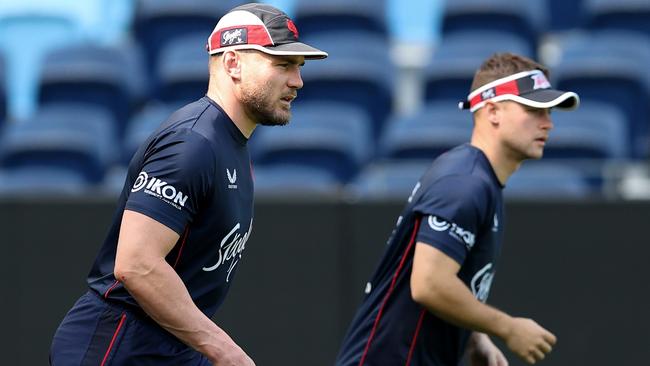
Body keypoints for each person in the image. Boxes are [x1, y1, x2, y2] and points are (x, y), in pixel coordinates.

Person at [49, 3, 327, 365]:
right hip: (116, 346)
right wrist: (224, 350)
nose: (297, 81)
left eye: (299, 67)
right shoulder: (193, 144)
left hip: (166, 348)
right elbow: (136, 264)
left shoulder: (230, 145)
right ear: (232, 64)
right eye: (282, 64)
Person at [335, 53, 580, 366]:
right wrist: (508, 328)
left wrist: (477, 336)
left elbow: (445, 278)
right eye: (534, 109)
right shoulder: (465, 183)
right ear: (492, 111)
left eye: (548, 110)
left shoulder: (477, 179)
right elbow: (429, 283)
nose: (548, 122)